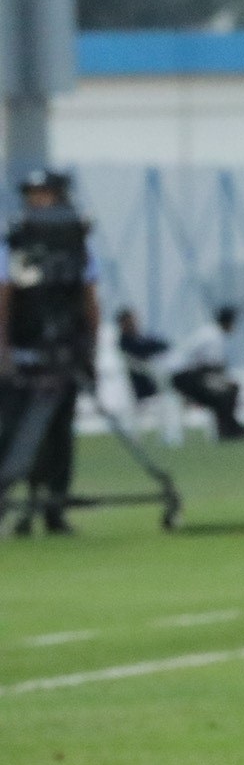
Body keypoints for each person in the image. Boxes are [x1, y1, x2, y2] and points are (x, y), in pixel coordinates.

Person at [0, 170, 100, 533]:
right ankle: (13, 503)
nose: (38, 201)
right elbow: (5, 298)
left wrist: (90, 350)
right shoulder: (15, 245)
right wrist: (3, 351)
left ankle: (53, 507)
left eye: (45, 194)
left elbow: (89, 300)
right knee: (13, 432)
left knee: (59, 435)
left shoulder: (78, 247)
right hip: (24, 356)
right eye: (33, 195)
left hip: (66, 354)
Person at [168, 305, 244, 440]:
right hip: (187, 378)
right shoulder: (215, 336)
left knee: (226, 389)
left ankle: (229, 427)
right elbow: (212, 367)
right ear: (228, 322)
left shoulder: (208, 332)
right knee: (228, 390)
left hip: (185, 376)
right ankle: (229, 429)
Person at [115, 309, 169, 405]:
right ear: (122, 325)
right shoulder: (125, 343)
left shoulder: (139, 338)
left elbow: (159, 344)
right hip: (142, 392)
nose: (133, 325)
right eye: (129, 322)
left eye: (133, 321)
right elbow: (143, 348)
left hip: (151, 386)